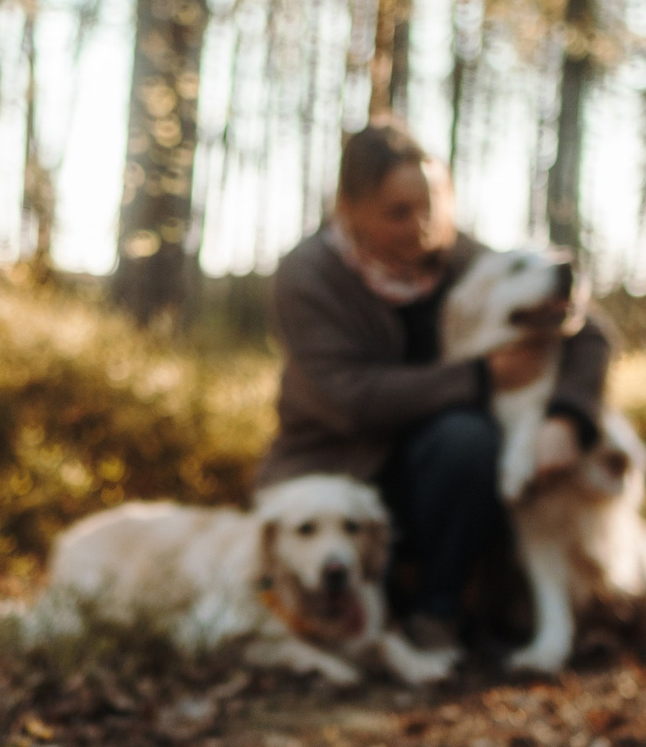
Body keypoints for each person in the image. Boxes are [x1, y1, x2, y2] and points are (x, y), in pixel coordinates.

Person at [258, 123, 611, 656]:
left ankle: (440, 615)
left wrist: (566, 418)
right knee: (465, 435)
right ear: (350, 209)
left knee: (466, 439)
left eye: (431, 206)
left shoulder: (461, 256)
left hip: (451, 465)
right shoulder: (309, 275)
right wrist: (482, 377)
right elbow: (350, 398)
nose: (420, 226)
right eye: (398, 212)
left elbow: (590, 329)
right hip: (341, 462)